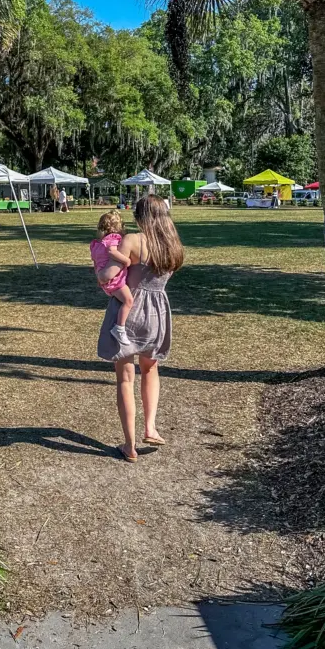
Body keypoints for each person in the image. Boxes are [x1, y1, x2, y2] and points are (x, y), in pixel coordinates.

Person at [97, 194, 184, 462]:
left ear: (138, 216)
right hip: (157, 311)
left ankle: (130, 445)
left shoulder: (133, 240)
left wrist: (100, 269)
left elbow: (107, 275)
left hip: (129, 310)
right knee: (151, 369)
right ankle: (150, 427)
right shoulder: (172, 244)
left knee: (125, 378)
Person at [90, 211, 134, 336]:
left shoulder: (96, 244)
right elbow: (112, 252)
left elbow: (95, 262)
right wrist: (127, 260)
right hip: (115, 280)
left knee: (121, 301)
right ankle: (119, 328)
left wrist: (98, 277)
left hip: (104, 280)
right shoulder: (114, 238)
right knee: (128, 301)